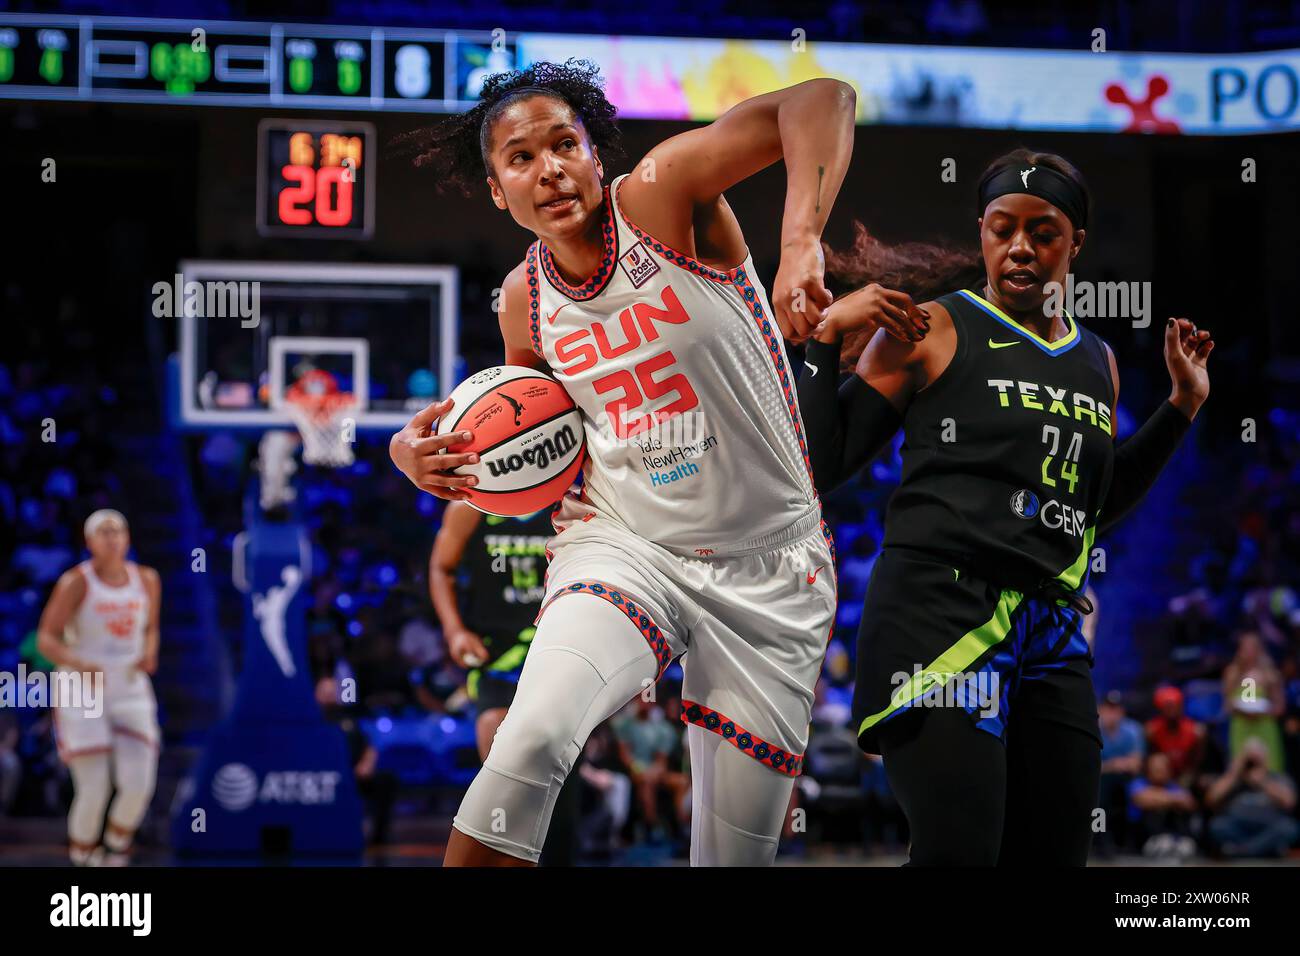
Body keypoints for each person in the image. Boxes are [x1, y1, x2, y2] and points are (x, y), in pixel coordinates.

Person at [390, 59, 851, 865]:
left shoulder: (661, 196)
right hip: (626, 548)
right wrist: (416, 451)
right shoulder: (520, 299)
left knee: (731, 856)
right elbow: (528, 446)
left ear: (596, 156)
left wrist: (801, 240)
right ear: (498, 189)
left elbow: (820, 100)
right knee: (527, 743)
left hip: (774, 565)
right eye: (522, 158)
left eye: (565, 144)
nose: (551, 169)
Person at [796, 148, 1214, 865]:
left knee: (1053, 855)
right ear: (983, 232)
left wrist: (1181, 407)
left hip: (1049, 632)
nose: (1020, 246)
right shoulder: (932, 327)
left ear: (1075, 242)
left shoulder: (1098, 362)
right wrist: (827, 336)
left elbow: (1093, 506)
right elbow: (821, 465)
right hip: (939, 617)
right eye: (1002, 228)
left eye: (1043, 231)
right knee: (961, 848)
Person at [428, 501, 579, 864]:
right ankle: (502, 850)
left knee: (560, 761)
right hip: (496, 654)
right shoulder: (471, 505)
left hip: (558, 644)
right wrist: (454, 631)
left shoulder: (568, 501)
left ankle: (557, 852)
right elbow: (440, 567)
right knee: (497, 741)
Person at [35, 510, 161, 865]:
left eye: (118, 530)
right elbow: (45, 638)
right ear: (89, 541)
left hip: (129, 683)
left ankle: (115, 848)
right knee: (94, 787)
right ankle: (84, 860)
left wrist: (150, 651)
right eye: (104, 532)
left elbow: (151, 627)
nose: (112, 537)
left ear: (128, 538)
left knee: (138, 785)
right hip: (81, 683)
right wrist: (77, 662)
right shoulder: (76, 582)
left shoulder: (148, 579)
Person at [1206, 738, 1299, 859]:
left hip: (1268, 827)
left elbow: (1289, 802)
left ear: (1266, 759)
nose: (1253, 763)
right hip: (1239, 827)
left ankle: (1242, 851)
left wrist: (1263, 782)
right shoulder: (1234, 779)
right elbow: (1211, 799)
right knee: (1217, 825)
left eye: (1257, 759)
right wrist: (1233, 774)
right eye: (1250, 759)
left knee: (1289, 827)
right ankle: (1264, 850)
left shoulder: (1277, 778)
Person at [1221, 631, 1286, 772]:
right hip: (1241, 726)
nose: (1248, 652)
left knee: (1269, 768)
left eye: (1252, 648)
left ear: (1259, 650)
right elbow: (1227, 705)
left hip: (1264, 725)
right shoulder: (1232, 673)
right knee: (1240, 769)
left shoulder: (1271, 675)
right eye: (1245, 648)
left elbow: (1279, 707)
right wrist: (1241, 709)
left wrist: (1260, 711)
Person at [1145, 685, 1206, 786]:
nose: (1172, 712)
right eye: (1168, 707)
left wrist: (1189, 775)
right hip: (1161, 777)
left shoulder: (1196, 732)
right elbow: (1151, 760)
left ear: (1181, 707)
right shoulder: (1152, 731)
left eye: (1175, 706)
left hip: (1187, 776)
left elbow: (1198, 761)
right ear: (1160, 709)